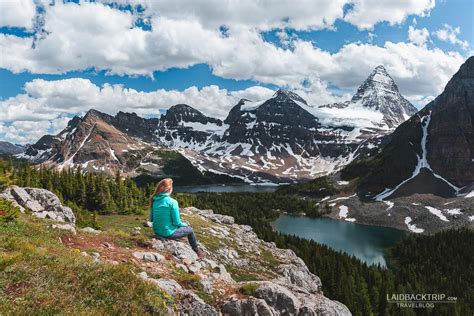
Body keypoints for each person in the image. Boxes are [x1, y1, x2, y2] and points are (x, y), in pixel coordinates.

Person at [149, 178, 205, 258]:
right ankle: (197, 250)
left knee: (179, 228)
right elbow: (176, 222)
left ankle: (178, 236)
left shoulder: (154, 200)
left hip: (156, 231)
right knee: (190, 230)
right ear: (169, 189)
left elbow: (151, 219)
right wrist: (185, 225)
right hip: (167, 233)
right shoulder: (172, 202)